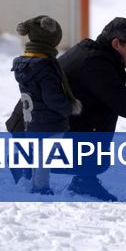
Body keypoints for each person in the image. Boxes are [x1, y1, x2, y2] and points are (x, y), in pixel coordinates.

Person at [7, 17, 126, 201]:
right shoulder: (95, 64)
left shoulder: (94, 54)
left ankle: (84, 180)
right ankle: (25, 161)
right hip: (35, 131)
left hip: (32, 127)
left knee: (102, 112)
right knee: (98, 152)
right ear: (117, 44)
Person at [11, 15, 82, 195]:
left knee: (38, 154)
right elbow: (52, 98)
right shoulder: (45, 68)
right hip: (48, 123)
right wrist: (68, 108)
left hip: (31, 120)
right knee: (45, 158)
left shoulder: (25, 65)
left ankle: (30, 176)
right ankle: (41, 187)